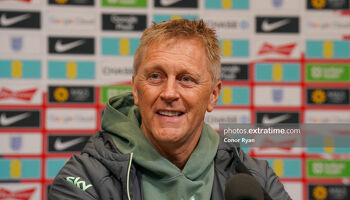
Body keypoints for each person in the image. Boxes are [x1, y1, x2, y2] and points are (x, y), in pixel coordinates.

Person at [48, 19, 291, 200]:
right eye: (155, 76)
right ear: (134, 88)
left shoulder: (255, 178)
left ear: (213, 95)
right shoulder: (84, 179)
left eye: (186, 79)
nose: (169, 93)